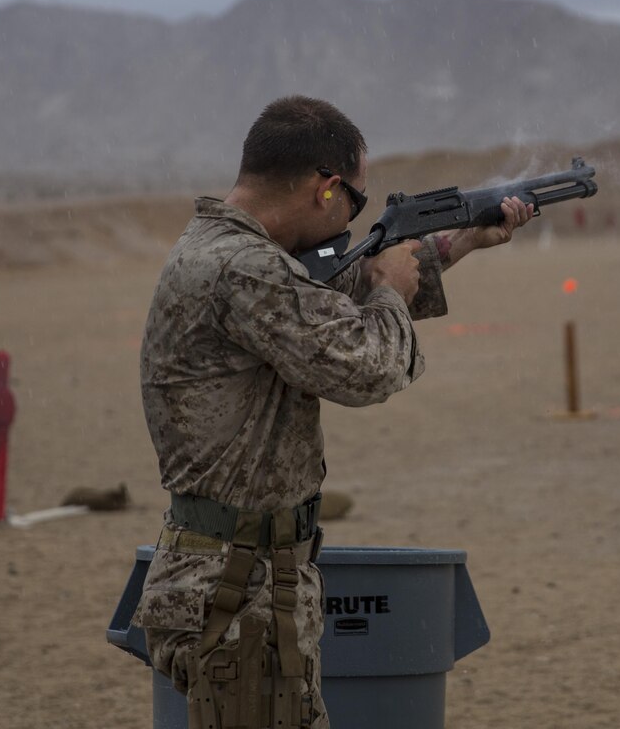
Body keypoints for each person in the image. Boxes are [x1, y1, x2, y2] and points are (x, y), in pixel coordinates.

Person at [132, 95, 533, 729]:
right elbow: (365, 366)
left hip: (241, 581)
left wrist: (459, 242)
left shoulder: (232, 253)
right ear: (325, 189)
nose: (355, 217)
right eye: (356, 200)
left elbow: (326, 298)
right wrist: (390, 293)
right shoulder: (245, 268)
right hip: (237, 592)